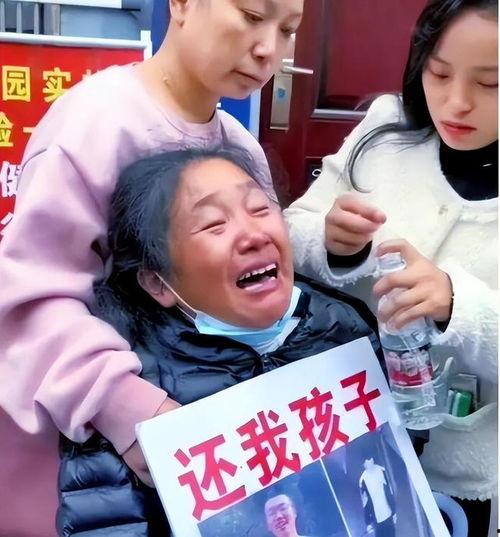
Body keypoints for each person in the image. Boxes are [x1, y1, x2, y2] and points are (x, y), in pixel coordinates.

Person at [0, 0, 305, 520]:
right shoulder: (94, 125)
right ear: (181, 4)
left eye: (289, 30)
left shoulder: (240, 146)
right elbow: (29, 300)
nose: (268, 50)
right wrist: (124, 404)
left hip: (196, 456)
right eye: (253, 17)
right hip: (86, 473)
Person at [57, 146, 381, 535]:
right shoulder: (134, 391)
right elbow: (105, 522)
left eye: (259, 209)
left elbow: (396, 452)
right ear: (158, 282)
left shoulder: (342, 325)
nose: (254, 235)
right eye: (214, 224)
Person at [284, 0, 497, 535]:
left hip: (462, 473)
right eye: (439, 73)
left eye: (490, 83)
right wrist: (332, 242)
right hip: (342, 439)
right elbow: (289, 233)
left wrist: (457, 304)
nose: (456, 102)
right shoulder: (387, 131)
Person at [359, 458, 396, 537]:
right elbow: (365, 503)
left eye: (370, 460)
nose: (369, 463)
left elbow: (389, 491)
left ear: (373, 460)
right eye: (366, 462)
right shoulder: (362, 480)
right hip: (377, 519)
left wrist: (394, 511)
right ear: (363, 464)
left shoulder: (382, 470)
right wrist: (368, 522)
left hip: (388, 513)